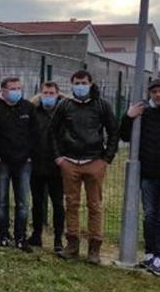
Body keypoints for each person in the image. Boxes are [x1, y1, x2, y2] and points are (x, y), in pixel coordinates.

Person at [51, 70, 118, 264]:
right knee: (71, 204)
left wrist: (106, 159)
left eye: (83, 82)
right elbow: (52, 132)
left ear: (90, 83)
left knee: (94, 205)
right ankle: (72, 246)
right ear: (71, 85)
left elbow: (113, 132)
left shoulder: (102, 105)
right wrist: (58, 158)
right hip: (70, 163)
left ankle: (94, 249)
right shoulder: (64, 105)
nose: (80, 86)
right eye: (76, 83)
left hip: (94, 162)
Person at [121, 78, 160, 276]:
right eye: (154, 91)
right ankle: (149, 254)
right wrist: (129, 117)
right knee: (149, 215)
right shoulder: (144, 114)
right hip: (148, 175)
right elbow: (124, 136)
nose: (158, 95)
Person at [0, 77, 37, 252]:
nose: (16, 91)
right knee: (1, 201)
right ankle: (2, 235)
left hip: (24, 162)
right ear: (3, 91)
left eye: (19, 88)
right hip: (2, 162)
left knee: (23, 203)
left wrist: (30, 156)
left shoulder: (28, 108)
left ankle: (21, 237)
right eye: (12, 88)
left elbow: (35, 134)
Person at [28, 81, 65, 253]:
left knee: (57, 203)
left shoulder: (64, 112)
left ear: (57, 94)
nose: (47, 96)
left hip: (57, 166)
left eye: (51, 93)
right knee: (37, 203)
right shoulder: (34, 111)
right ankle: (36, 235)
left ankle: (58, 239)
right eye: (45, 92)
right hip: (37, 164)